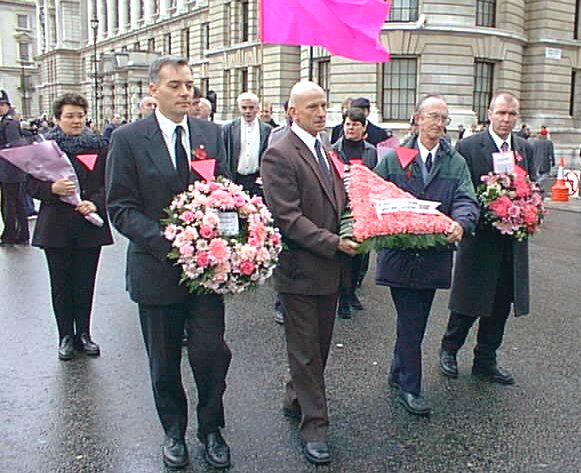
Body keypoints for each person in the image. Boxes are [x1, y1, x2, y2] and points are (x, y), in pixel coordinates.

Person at [106, 56, 233, 470]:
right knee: (164, 360)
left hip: (207, 274)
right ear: (153, 91)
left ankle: (211, 428)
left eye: (190, 85)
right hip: (156, 270)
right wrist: (171, 243)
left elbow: (225, 192)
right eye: (175, 85)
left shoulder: (211, 134)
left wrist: (237, 237)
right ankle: (173, 431)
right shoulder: (128, 139)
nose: (185, 93)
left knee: (211, 353)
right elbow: (121, 207)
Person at [261, 80, 359, 465]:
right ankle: (314, 427)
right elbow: (287, 217)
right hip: (300, 270)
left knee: (317, 346)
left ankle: (294, 396)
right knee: (306, 351)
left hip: (330, 270)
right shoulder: (280, 153)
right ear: (292, 112)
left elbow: (340, 200)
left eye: (324, 105)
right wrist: (333, 243)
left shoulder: (326, 148)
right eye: (313, 107)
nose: (322, 113)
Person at [374, 94, 479, 416]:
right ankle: (411, 386)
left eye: (443, 119)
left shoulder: (454, 162)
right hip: (400, 253)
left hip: (434, 255)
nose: (438, 124)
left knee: (415, 318)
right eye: (433, 116)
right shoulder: (395, 157)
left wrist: (462, 223)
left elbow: (466, 197)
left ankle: (397, 369)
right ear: (417, 118)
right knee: (411, 318)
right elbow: (374, 193)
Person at [439, 91, 535, 386]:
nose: (506, 119)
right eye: (501, 113)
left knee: (501, 302)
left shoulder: (523, 148)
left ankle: (486, 359)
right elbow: (459, 190)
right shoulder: (468, 147)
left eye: (511, 114)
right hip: (480, 239)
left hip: (511, 242)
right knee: (470, 300)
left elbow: (529, 186)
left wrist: (530, 209)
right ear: (489, 113)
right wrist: (488, 210)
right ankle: (449, 350)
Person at [27, 93, 113, 360]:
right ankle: (65, 335)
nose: (76, 121)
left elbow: (108, 182)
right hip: (56, 227)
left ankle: (84, 334)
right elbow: (29, 185)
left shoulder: (99, 145)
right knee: (61, 284)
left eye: (80, 115)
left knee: (85, 282)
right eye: (70, 116)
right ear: (57, 119)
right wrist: (51, 189)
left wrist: (95, 203)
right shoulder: (45, 148)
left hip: (88, 225)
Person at [332, 108, 378, 319]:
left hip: (364, 205)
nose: (351, 128)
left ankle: (352, 293)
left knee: (361, 252)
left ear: (363, 127)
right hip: (342, 206)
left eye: (356, 125)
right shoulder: (333, 150)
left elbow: (375, 176)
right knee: (344, 253)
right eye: (348, 124)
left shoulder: (370, 151)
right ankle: (342, 297)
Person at [222, 92, 272, 195]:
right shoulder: (229, 129)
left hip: (257, 181)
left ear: (257, 108)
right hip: (234, 181)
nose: (247, 111)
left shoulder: (267, 130)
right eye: (244, 108)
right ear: (239, 108)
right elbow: (223, 155)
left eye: (251, 107)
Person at [0, 89, 29, 246]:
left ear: (7, 106)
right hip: (9, 170)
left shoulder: (9, 123)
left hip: (10, 169)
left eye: (2, 104)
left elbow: (14, 145)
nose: (0, 107)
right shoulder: (5, 121)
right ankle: (20, 234)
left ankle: (11, 234)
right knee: (14, 202)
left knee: (10, 203)